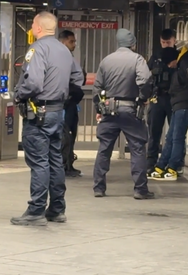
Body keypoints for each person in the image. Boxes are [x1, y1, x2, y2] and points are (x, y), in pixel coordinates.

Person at [11, 11, 83, 226]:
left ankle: (35, 210)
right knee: (55, 160)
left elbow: (33, 83)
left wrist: (18, 94)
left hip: (38, 113)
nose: (32, 27)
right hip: (57, 112)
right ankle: (57, 209)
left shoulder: (37, 49)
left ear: (39, 27)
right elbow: (77, 78)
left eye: (33, 24)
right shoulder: (64, 50)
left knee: (39, 162)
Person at [92, 28, 155, 200]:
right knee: (137, 148)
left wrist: (99, 109)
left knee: (104, 149)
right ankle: (140, 189)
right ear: (133, 44)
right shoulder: (137, 59)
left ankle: (99, 187)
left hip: (109, 109)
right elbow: (145, 81)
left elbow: (96, 88)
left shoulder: (106, 61)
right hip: (130, 109)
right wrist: (143, 99)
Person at [149, 43, 188, 181]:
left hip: (185, 105)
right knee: (170, 137)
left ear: (174, 59)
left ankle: (173, 168)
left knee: (177, 137)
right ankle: (161, 166)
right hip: (178, 105)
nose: (169, 66)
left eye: (169, 64)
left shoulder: (186, 63)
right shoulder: (181, 63)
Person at [58, 30, 87, 177]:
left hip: (72, 102)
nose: (74, 44)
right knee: (66, 134)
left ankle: (69, 163)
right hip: (66, 102)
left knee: (71, 133)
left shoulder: (69, 57)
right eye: (71, 41)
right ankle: (63, 166)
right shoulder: (60, 58)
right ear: (63, 42)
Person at [145, 29, 174, 174]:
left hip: (173, 98)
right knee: (154, 131)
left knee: (174, 133)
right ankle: (151, 162)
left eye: (168, 42)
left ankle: (173, 163)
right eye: (163, 42)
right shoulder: (156, 56)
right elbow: (147, 73)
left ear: (174, 40)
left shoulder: (179, 56)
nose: (166, 45)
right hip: (158, 96)